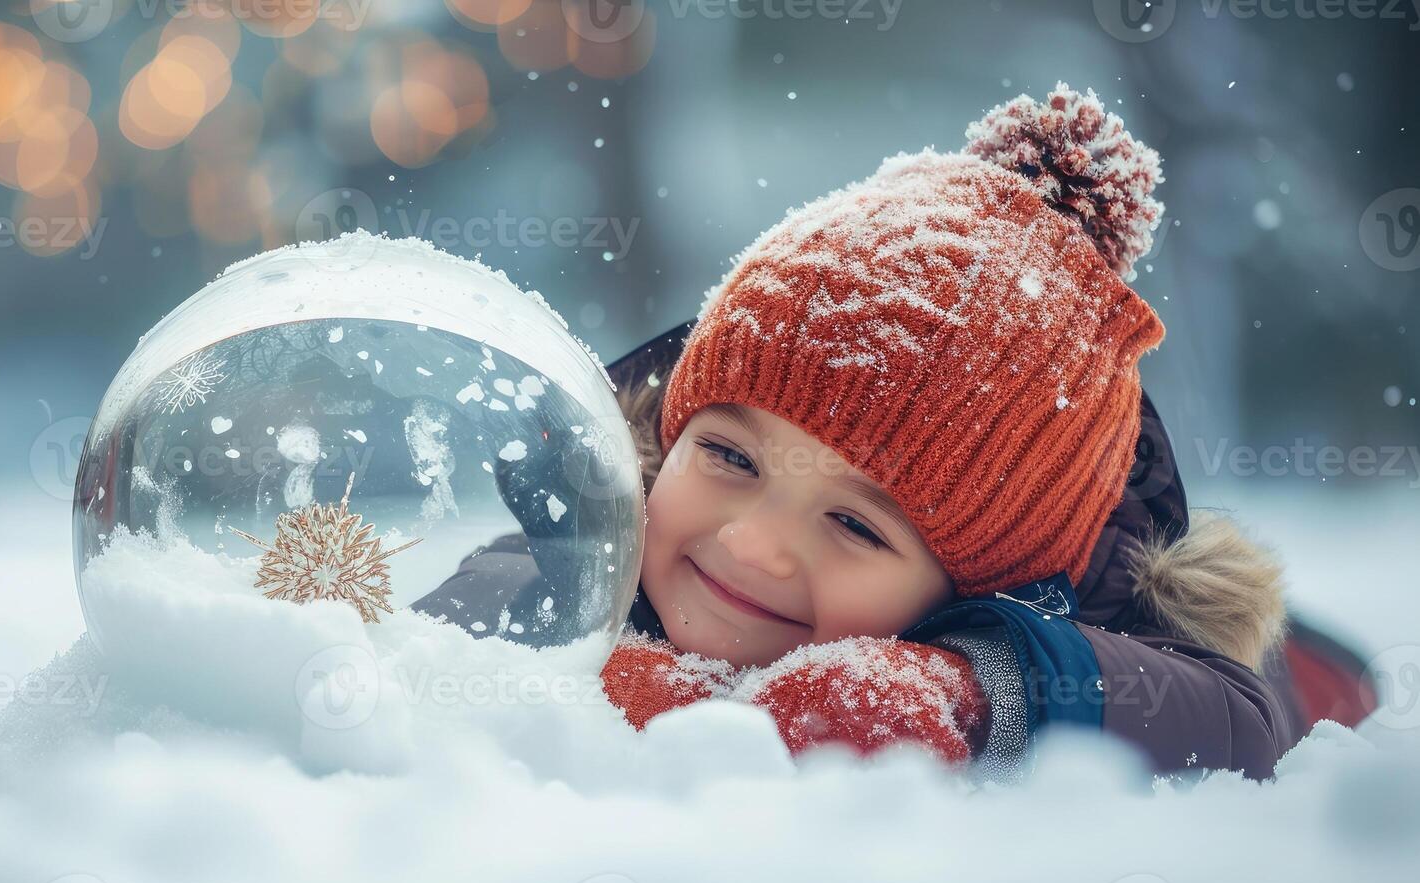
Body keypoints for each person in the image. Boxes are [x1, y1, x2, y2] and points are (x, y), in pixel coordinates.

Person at [414, 83, 1310, 778]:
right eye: (728, 455)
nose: (751, 543)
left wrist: (976, 692)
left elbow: (1241, 714)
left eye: (854, 523)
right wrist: (595, 649)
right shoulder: (610, 529)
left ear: (979, 586)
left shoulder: (1077, 612)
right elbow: (476, 596)